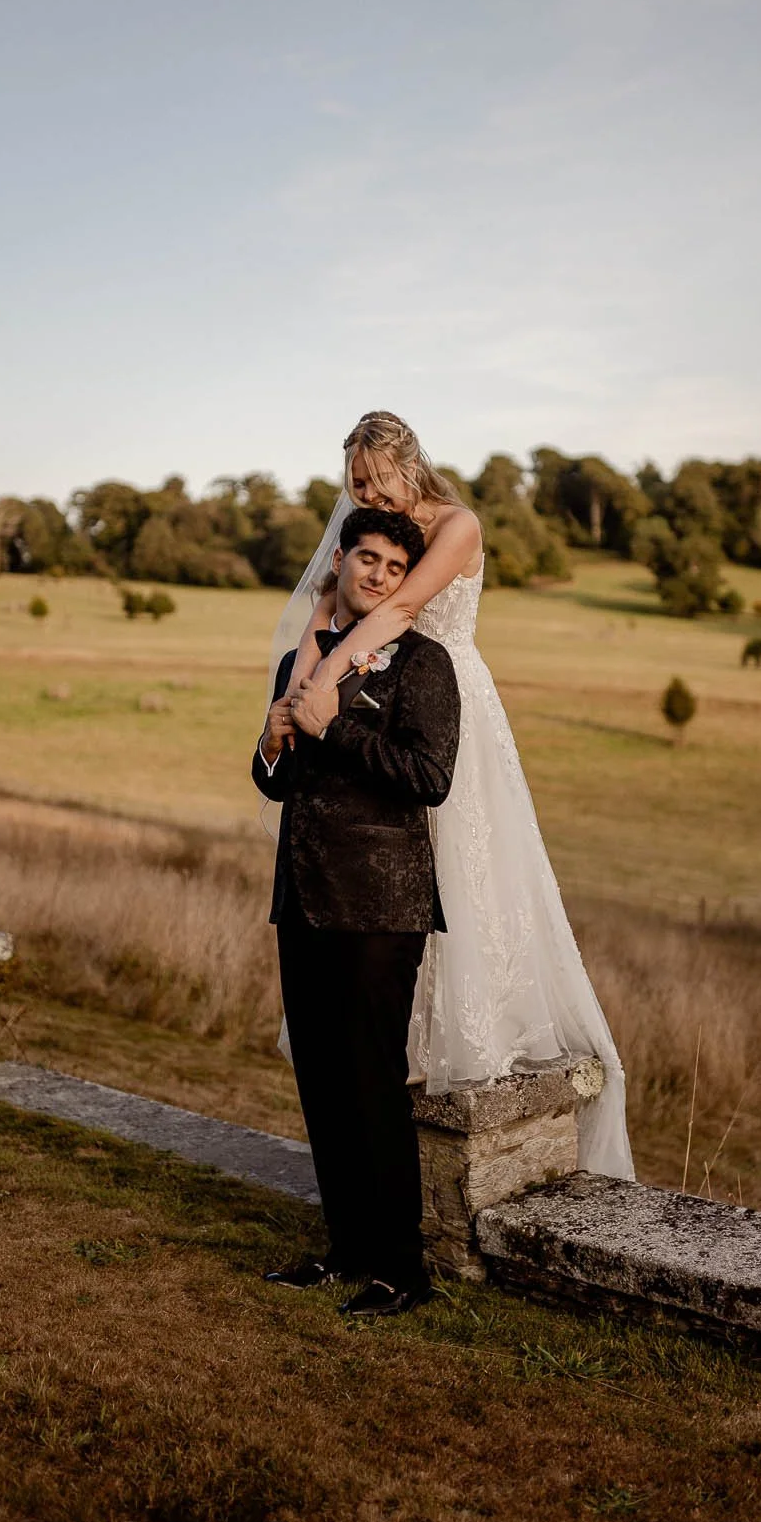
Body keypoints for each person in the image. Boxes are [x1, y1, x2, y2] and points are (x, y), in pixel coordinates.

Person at [269, 411, 634, 1182]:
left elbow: (399, 612)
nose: (364, 493)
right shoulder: (371, 536)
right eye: (355, 485)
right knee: (384, 863)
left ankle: (474, 1029)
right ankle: (397, 1033)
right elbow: (322, 614)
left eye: (373, 479)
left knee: (465, 862)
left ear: (407, 462)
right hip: (370, 692)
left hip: (440, 692)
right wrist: (306, 687)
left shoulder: (456, 525)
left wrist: (325, 688)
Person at [254, 505, 461, 1317]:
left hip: (382, 904)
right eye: (365, 559)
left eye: (393, 569)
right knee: (322, 1081)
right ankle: (345, 1251)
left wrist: (335, 730)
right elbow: (276, 781)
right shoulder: (297, 663)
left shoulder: (422, 664)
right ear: (338, 561)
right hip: (301, 896)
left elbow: (428, 777)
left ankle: (401, 1270)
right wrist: (273, 744)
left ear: (405, 583)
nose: (376, 575)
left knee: (373, 1082)